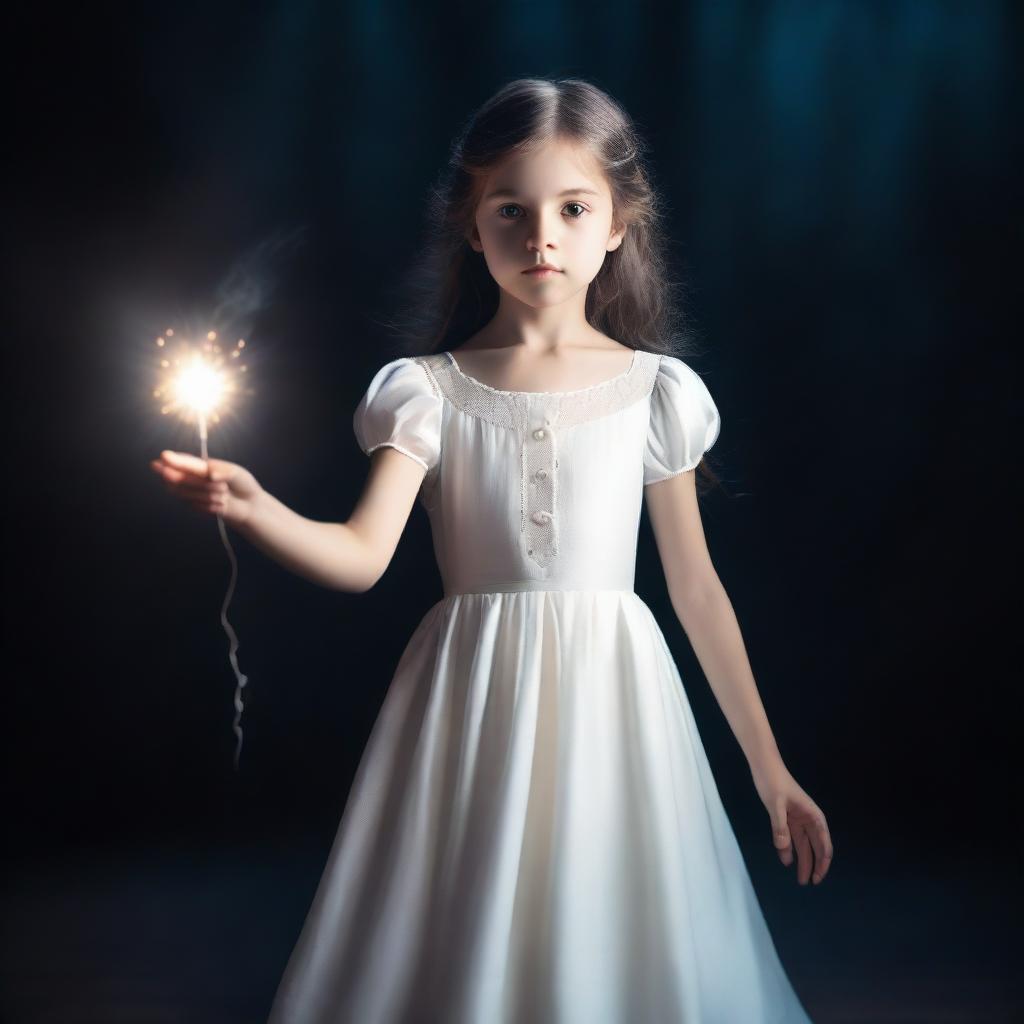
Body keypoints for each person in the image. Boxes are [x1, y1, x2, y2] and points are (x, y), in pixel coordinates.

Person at [151, 76, 831, 1023]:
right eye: (510, 209)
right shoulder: (426, 390)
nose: (541, 234)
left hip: (617, 700)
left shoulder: (656, 392)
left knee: (613, 923)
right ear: (473, 226)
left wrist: (770, 769)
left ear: (619, 225)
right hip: (469, 700)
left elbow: (697, 589)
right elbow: (360, 555)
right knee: (469, 933)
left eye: (572, 208)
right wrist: (256, 506)